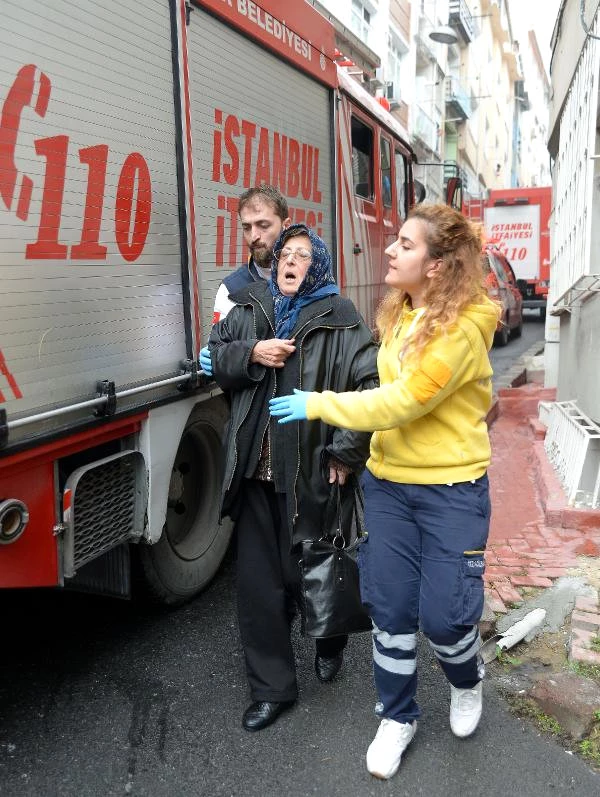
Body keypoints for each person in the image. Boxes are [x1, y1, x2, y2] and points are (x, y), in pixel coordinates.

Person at [269, 204, 501, 778]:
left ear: (439, 265)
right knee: (391, 611)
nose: (390, 250)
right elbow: (379, 385)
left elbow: (400, 403)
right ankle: (397, 716)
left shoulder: (462, 330)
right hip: (391, 488)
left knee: (446, 619)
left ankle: (466, 681)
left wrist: (318, 405)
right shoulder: (402, 313)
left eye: (404, 243)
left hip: (451, 491)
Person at [208, 223, 378, 731]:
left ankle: (331, 638)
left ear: (318, 266)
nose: (290, 260)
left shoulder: (341, 319)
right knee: (259, 587)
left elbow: (371, 384)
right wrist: (251, 354)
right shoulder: (248, 305)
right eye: (286, 252)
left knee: (315, 570)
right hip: (256, 474)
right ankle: (272, 688)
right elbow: (215, 357)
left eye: (302, 255)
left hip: (313, 471)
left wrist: (347, 451)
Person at [199, 184, 291, 374]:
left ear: (286, 226)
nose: (254, 236)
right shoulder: (231, 289)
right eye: (247, 227)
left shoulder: (310, 280)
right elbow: (219, 351)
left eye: (263, 225)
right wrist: (249, 353)